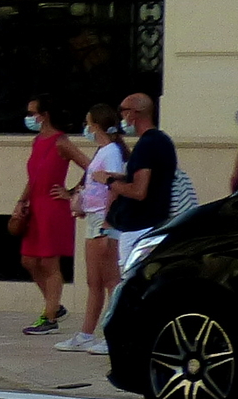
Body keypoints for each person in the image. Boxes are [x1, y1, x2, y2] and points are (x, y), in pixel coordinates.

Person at [15, 95, 89, 337]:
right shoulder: (37, 141)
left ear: (44, 115)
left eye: (32, 112)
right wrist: (21, 201)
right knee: (29, 259)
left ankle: (49, 316)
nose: (30, 117)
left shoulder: (61, 142)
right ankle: (54, 306)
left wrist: (71, 192)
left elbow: (90, 167)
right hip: (35, 206)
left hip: (53, 207)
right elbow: (33, 177)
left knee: (49, 262)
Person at [61, 103, 126, 353]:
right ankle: (86, 333)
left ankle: (114, 335)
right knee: (94, 281)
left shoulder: (111, 153)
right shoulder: (103, 151)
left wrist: (108, 224)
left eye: (88, 123)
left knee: (111, 280)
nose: (86, 128)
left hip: (103, 220)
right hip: (93, 218)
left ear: (96, 125)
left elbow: (113, 188)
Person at [102, 92, 178, 264]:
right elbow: (156, 179)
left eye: (122, 111)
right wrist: (123, 177)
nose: (121, 117)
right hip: (159, 223)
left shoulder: (146, 145)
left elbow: (139, 191)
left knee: (131, 282)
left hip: (138, 228)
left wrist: (109, 182)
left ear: (132, 113)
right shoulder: (163, 141)